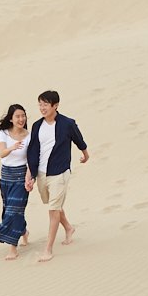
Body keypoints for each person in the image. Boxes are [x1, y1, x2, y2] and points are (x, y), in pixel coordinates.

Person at [24, 90, 89, 262]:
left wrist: (85, 154)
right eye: (40, 104)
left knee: (53, 209)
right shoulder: (37, 125)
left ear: (55, 105)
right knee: (54, 204)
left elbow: (78, 139)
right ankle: (68, 227)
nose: (42, 108)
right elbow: (32, 152)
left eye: (45, 104)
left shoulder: (67, 123)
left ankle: (48, 249)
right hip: (42, 173)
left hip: (60, 172)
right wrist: (29, 175)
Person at [0, 104, 31, 260]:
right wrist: (12, 147)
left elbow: (31, 160)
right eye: (18, 116)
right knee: (10, 210)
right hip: (6, 178)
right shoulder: (4, 133)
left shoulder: (29, 136)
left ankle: (13, 249)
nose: (21, 119)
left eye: (23, 116)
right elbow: (2, 153)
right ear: (11, 118)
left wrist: (30, 177)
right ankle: (23, 231)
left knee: (12, 212)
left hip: (21, 177)